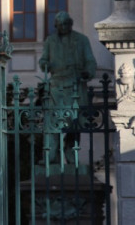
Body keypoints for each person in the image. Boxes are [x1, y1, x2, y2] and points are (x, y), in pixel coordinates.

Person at [38, 11, 97, 166]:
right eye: (60, 25)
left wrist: (88, 72)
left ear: (71, 24)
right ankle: (52, 157)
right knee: (53, 123)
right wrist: (45, 65)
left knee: (74, 124)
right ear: (56, 26)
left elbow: (90, 61)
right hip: (57, 86)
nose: (64, 27)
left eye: (66, 24)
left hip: (75, 85)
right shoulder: (50, 41)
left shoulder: (82, 40)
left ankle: (72, 156)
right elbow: (43, 59)